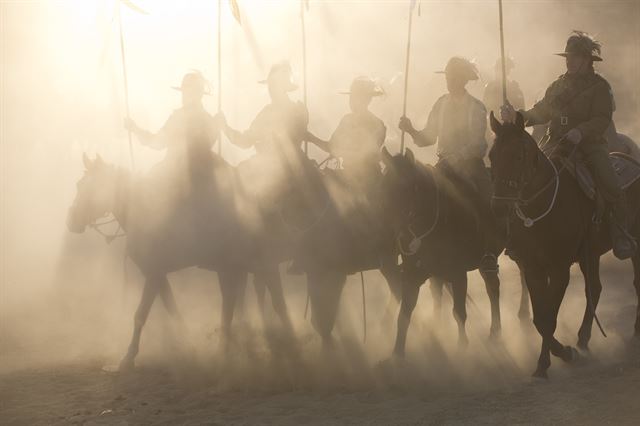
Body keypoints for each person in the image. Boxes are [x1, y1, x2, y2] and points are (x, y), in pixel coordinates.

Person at [501, 31, 636, 259]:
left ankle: (620, 233)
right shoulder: (557, 85)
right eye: (567, 57)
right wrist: (517, 116)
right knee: (526, 177)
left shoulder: (600, 87)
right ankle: (518, 235)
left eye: (574, 57)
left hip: (589, 146)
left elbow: (602, 118)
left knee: (610, 183)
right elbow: (541, 111)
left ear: (586, 60)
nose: (569, 61)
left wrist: (580, 131)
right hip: (555, 143)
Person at [399, 56, 499, 273]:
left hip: (471, 167)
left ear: (463, 80)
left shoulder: (476, 107)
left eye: (453, 77)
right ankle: (416, 247)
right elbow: (428, 137)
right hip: (443, 166)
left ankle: (490, 252)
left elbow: (478, 144)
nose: (449, 80)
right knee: (416, 195)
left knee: (486, 200)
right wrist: (411, 130)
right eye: (447, 76)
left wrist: (459, 156)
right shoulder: (440, 104)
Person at [124, 71, 223, 189]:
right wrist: (217, 126)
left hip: (175, 175)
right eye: (185, 93)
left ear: (197, 95)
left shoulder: (178, 118)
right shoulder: (209, 119)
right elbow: (210, 141)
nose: (185, 96)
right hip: (206, 173)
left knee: (144, 189)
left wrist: (135, 129)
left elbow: (158, 143)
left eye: (187, 93)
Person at [306, 76, 386, 196]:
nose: (352, 101)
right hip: (346, 176)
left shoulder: (377, 125)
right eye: (351, 97)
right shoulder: (346, 120)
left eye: (357, 97)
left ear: (367, 100)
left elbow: (364, 156)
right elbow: (331, 147)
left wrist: (339, 152)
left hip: (369, 182)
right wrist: (309, 137)